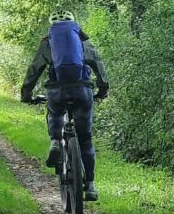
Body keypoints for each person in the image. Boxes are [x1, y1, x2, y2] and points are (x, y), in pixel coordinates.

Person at [20, 11, 109, 201]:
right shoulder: (82, 41)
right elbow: (99, 66)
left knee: (55, 112)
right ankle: (91, 186)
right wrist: (103, 90)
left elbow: (34, 69)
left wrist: (26, 95)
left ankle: (54, 142)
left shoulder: (49, 42)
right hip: (82, 90)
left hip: (57, 91)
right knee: (85, 139)